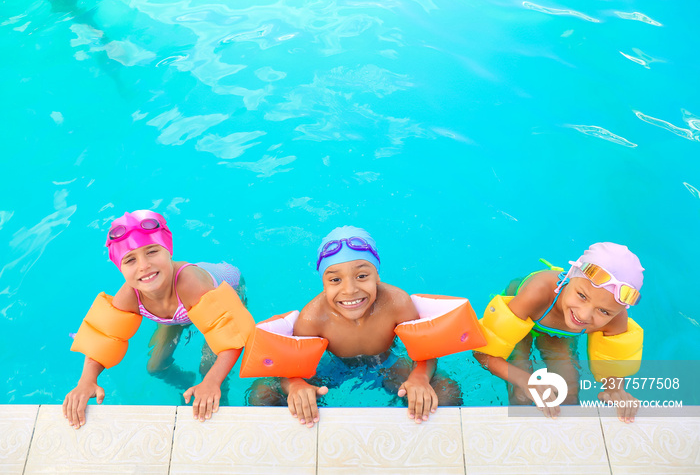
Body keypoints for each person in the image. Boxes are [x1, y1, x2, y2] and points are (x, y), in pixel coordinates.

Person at [248, 226, 462, 427]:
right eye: (335, 280)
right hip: (332, 367)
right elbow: (289, 368)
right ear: (323, 283)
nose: (349, 290)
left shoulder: (397, 302)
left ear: (377, 275)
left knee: (445, 390)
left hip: (387, 363)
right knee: (263, 392)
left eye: (361, 276)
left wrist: (419, 378)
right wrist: (296, 386)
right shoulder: (312, 318)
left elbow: (424, 350)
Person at [63, 210, 254, 428]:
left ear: (168, 252)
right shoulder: (129, 296)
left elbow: (233, 334)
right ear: (121, 268)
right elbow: (103, 338)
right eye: (130, 260)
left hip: (225, 289)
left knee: (209, 366)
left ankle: (220, 399)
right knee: (155, 366)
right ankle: (187, 385)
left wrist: (212, 381)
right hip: (175, 313)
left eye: (152, 252)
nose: (143, 266)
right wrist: (86, 381)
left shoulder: (191, 284)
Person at [474, 242, 644, 423]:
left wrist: (615, 389)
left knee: (568, 396)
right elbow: (483, 353)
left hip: (560, 332)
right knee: (522, 395)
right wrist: (524, 379)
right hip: (521, 317)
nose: (583, 315)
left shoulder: (616, 318)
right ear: (570, 276)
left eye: (603, 311)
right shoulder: (537, 293)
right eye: (582, 295)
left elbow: (612, 369)